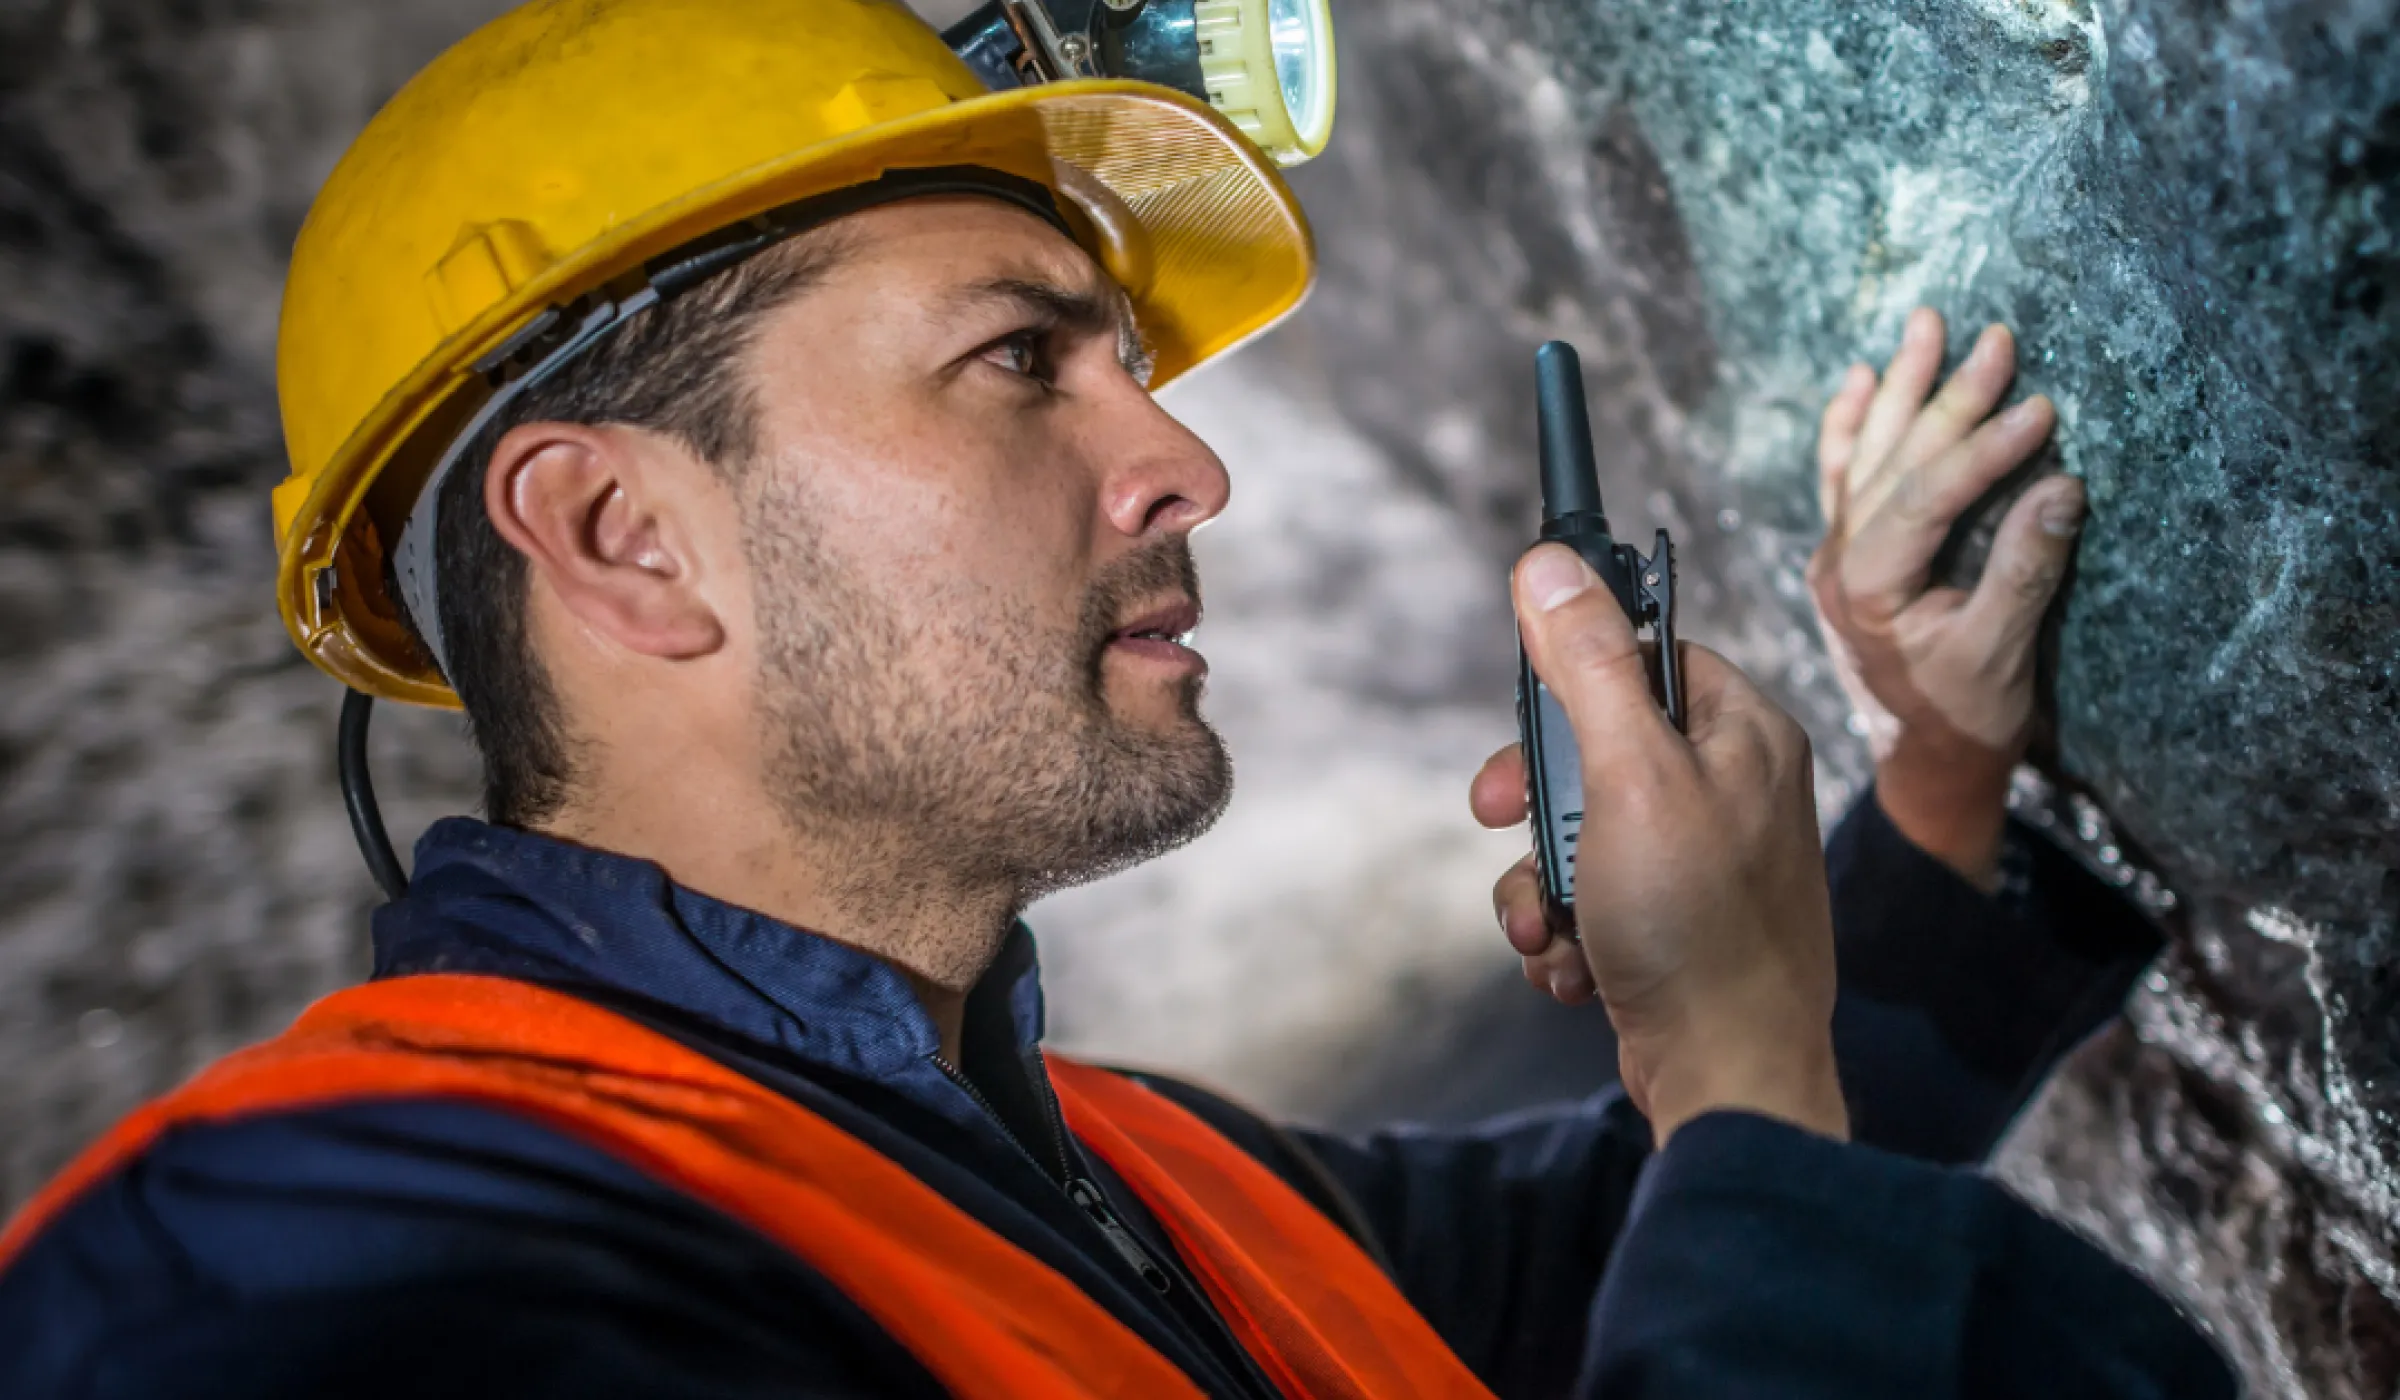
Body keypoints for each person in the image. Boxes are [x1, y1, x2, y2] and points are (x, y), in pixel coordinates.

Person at [0, 2, 2230, 1395]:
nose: (1186, 461)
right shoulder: (306, 1289)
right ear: (618, 537)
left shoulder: (1115, 1186)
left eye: (1130, 369)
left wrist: (1928, 792)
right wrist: (1739, 1076)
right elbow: (1747, 1209)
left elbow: (1623, 1274)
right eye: (1016, 362)